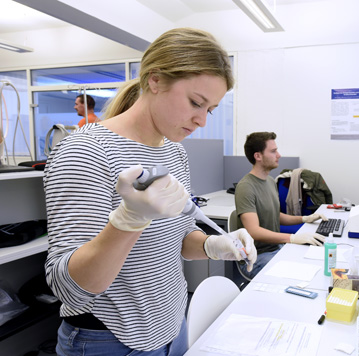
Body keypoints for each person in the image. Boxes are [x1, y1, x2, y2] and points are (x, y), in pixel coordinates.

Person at [44, 28, 257, 356]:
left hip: (173, 326)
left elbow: (179, 239)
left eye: (210, 109)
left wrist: (215, 246)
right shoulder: (86, 150)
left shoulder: (174, 151)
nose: (201, 120)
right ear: (155, 81)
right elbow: (70, 290)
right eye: (195, 103)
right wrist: (128, 220)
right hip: (110, 341)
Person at [234, 132, 327, 279]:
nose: (279, 155)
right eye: (273, 151)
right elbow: (254, 231)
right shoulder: (246, 187)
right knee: (302, 275)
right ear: (258, 156)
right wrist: (292, 238)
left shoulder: (270, 181)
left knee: (316, 262)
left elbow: (275, 216)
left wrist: (304, 218)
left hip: (276, 248)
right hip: (256, 257)